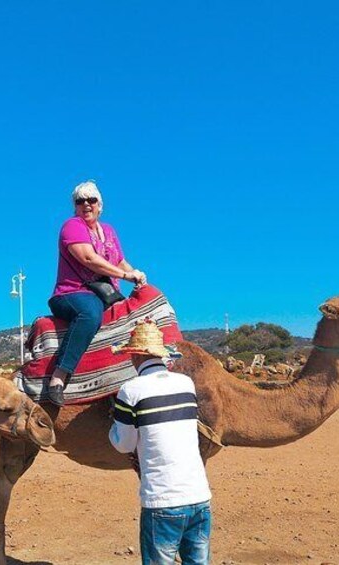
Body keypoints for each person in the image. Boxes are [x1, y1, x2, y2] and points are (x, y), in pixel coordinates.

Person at [109, 320, 212, 565]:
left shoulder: (130, 390)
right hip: (199, 496)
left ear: (134, 356)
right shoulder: (186, 384)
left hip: (162, 501)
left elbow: (124, 444)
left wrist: (114, 425)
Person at [46, 180, 147, 406]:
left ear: (100, 205)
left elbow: (119, 261)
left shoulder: (109, 231)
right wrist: (125, 277)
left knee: (134, 318)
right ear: (75, 206)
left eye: (91, 200)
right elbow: (89, 258)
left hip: (105, 295)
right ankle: (59, 376)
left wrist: (137, 276)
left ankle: (119, 382)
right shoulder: (72, 226)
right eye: (80, 201)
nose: (86, 204)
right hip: (72, 293)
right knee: (91, 313)